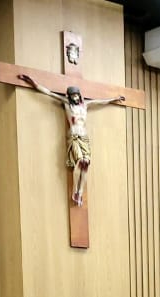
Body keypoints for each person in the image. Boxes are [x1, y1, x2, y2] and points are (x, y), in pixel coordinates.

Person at [17, 75, 125, 207]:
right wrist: (34, 83)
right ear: (69, 97)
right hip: (74, 136)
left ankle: (79, 192)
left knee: (87, 163)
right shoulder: (67, 104)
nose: (75, 97)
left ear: (79, 95)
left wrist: (115, 99)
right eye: (72, 96)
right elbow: (49, 93)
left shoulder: (86, 105)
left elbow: (100, 101)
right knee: (80, 161)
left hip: (84, 137)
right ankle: (75, 191)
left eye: (76, 95)